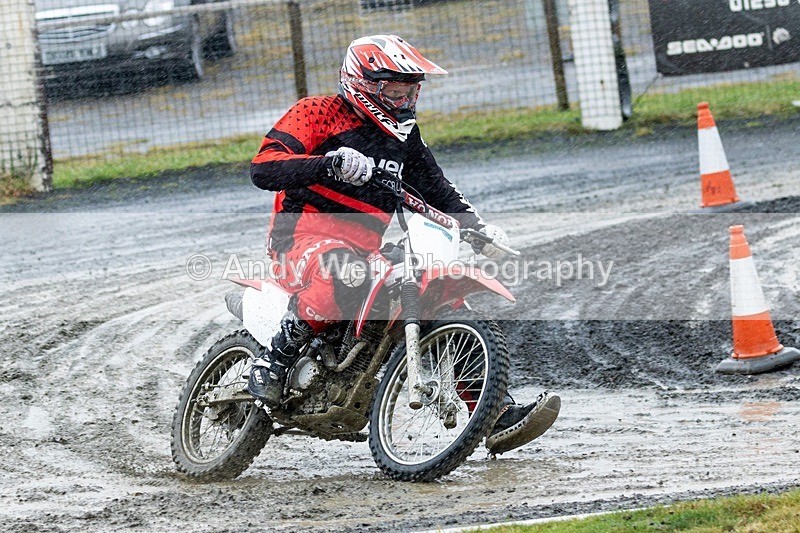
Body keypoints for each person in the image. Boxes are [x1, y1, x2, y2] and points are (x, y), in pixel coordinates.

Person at [246, 34, 559, 454]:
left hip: (366, 248)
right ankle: (275, 359)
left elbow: (437, 188)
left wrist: (477, 228)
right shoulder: (319, 112)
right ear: (362, 82)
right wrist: (329, 162)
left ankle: (494, 414)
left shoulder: (403, 138)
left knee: (442, 300)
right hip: (302, 237)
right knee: (341, 272)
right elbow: (264, 168)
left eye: (410, 88)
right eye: (393, 87)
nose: (403, 97)